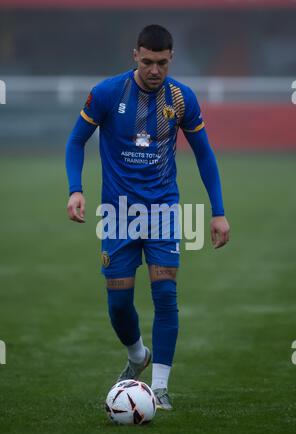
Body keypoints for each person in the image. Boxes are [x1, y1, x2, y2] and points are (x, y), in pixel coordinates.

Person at [65, 24, 230, 410]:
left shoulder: (182, 99)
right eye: (148, 62)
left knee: (166, 294)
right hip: (118, 214)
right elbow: (76, 141)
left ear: (171, 58)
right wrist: (76, 188)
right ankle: (138, 354)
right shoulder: (107, 93)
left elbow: (205, 155)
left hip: (163, 211)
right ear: (135, 55)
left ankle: (160, 387)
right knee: (119, 305)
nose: (155, 70)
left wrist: (218, 212)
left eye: (162, 63)